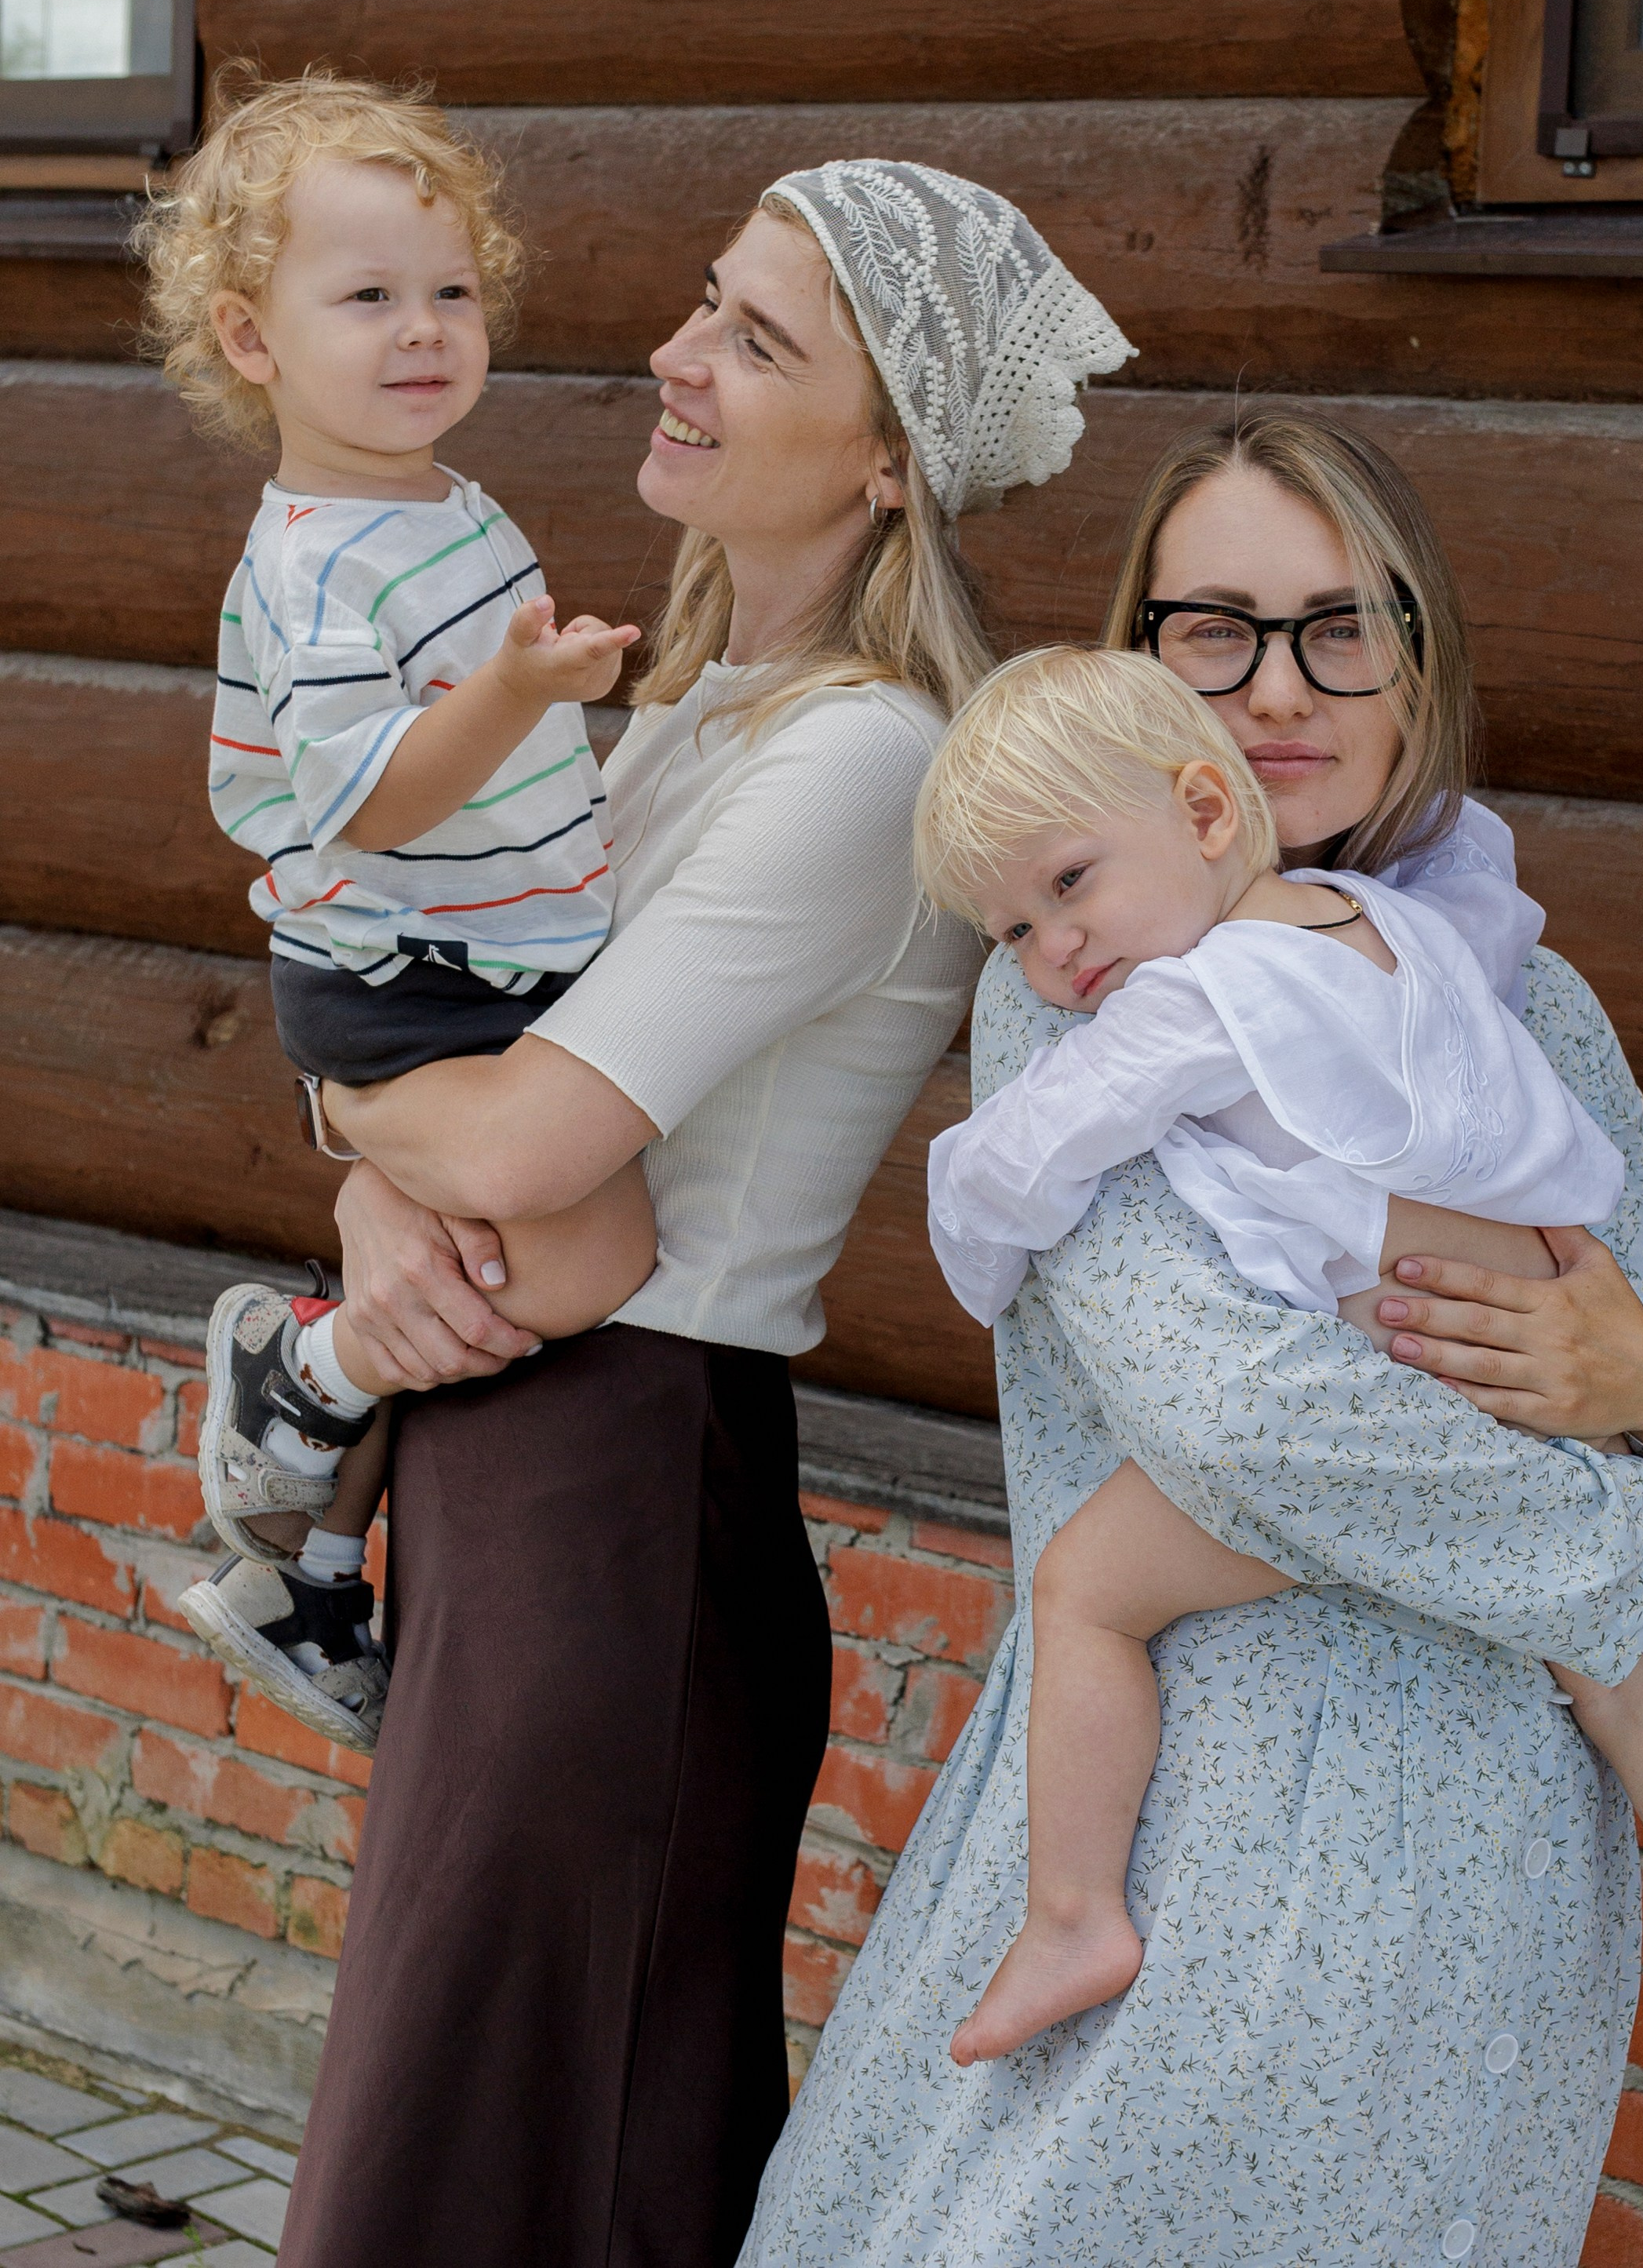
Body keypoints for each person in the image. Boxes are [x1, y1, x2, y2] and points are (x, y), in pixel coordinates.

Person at [739, 411, 1643, 2268]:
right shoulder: (1090, 976)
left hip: (1503, 1855)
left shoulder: (1518, 993)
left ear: (1419, 653)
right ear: (1139, 660)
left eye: (1339, 625)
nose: (1279, 688)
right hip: (1202, 1820)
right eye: (1211, 624)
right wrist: (1632, 1541)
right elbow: (1247, 1417)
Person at [256, 158, 1134, 2268]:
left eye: (757, 337)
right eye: (701, 299)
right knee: (468, 2141)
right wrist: (377, 1207)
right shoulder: (667, 708)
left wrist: (393, 1153)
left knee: (515, 2171)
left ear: (896, 460)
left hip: (627, 1492)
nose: (678, 352)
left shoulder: (856, 762)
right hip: (513, 1449)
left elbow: (510, 1143)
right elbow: (379, 1044)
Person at [915, 646, 1643, 2061]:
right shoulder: (1396, 929)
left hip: (1402, 1376)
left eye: (1067, 884)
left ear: (1209, 817)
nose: (1052, 955)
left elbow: (1030, 1159)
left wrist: (970, 1236)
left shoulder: (1194, 1000)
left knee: (1085, 1586)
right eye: (1008, 932)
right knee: (1630, 1672)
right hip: (1549, 1360)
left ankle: (1074, 1911)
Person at [133, 71, 650, 1753]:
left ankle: (313, 1559)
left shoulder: (443, 499)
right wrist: (519, 688)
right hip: (409, 981)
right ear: (253, 338)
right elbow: (379, 795)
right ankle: (298, 1375)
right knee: (585, 1249)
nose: (424, 330)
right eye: (366, 297)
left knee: (454, 1257)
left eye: (450, 291)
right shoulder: (318, 565)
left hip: (491, 948)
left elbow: (493, 770)